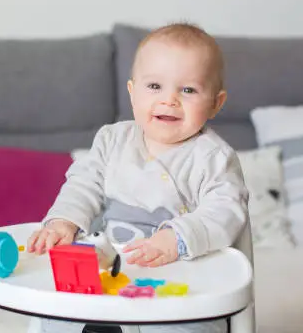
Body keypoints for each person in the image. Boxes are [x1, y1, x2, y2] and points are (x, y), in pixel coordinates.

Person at [28, 22, 249, 333]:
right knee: (55, 315)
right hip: (110, 273)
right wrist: (64, 220)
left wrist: (177, 238)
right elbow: (83, 183)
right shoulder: (111, 140)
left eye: (188, 90)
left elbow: (227, 210)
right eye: (155, 86)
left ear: (216, 103)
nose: (169, 100)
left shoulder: (212, 157)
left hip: (181, 286)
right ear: (133, 93)